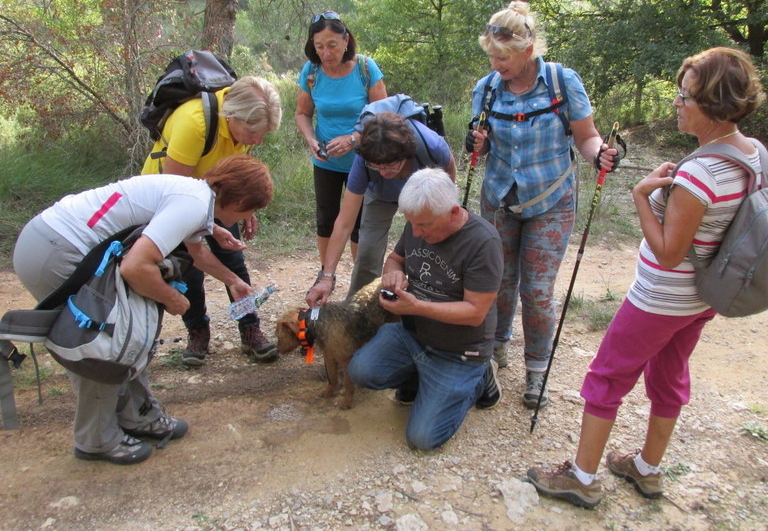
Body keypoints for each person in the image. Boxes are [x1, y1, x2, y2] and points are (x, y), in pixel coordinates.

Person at [527, 47, 767, 508]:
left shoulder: (699, 173)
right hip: (704, 297)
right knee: (670, 373)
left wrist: (642, 194)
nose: (676, 103)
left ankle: (582, 477)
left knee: (606, 378)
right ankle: (647, 468)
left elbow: (669, 250)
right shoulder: (752, 153)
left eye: (685, 96)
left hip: (661, 298)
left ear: (714, 103)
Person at [13, 154, 275, 464]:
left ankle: (138, 415)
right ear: (240, 199)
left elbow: (197, 254)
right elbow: (135, 267)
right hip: (58, 249)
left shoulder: (196, 196)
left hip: (52, 239)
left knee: (128, 332)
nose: (252, 214)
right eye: (253, 208)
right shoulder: (192, 204)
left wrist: (233, 281)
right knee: (103, 339)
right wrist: (172, 298)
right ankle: (96, 439)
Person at [468, 0, 617, 409]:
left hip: (551, 199)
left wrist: (600, 153)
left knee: (536, 291)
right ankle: (496, 347)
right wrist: (475, 144)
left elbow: (586, 137)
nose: (496, 64)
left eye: (504, 57)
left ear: (528, 50)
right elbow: (478, 144)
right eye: (492, 56)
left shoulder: (561, 82)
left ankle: (537, 371)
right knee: (498, 281)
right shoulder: (487, 89)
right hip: (499, 198)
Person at [347, 168, 504, 451]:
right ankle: (418, 376)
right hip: (413, 334)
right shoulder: (418, 221)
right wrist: (391, 273)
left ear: (454, 212)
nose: (416, 232)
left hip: (460, 352)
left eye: (425, 226)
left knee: (422, 439)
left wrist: (417, 306)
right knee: (360, 371)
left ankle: (481, 378)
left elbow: (475, 312)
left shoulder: (483, 242)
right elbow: (395, 259)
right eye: (412, 224)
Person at [142, 76, 282, 366]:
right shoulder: (195, 124)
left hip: (220, 197)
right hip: (175, 200)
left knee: (233, 259)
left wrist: (245, 209)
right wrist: (212, 227)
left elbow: (238, 171)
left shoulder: (243, 126)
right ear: (231, 115)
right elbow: (176, 192)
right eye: (253, 132)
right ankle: (198, 331)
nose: (258, 140)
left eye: (263, 133)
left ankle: (249, 327)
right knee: (189, 265)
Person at [305, 111, 456, 306]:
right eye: (377, 167)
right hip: (380, 196)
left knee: (428, 245)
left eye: (391, 166)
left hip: (423, 194)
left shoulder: (432, 146)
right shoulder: (364, 161)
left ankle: (427, 302)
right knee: (367, 251)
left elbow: (449, 180)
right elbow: (344, 223)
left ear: (406, 154)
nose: (384, 172)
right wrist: (327, 277)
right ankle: (358, 310)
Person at [295, 11, 388, 273]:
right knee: (326, 219)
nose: (326, 53)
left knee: (360, 221)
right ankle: (327, 274)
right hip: (325, 161)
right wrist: (311, 139)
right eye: (319, 47)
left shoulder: (365, 68)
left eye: (332, 45)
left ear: (346, 41)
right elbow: (302, 113)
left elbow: (383, 115)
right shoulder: (312, 72)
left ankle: (360, 278)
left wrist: (353, 138)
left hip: (363, 158)